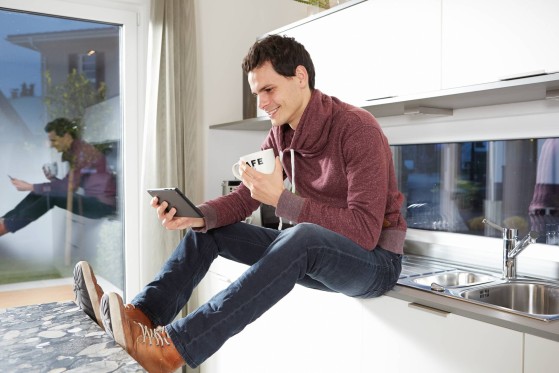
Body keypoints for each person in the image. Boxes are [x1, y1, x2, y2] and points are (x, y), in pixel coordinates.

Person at [73, 34, 407, 372]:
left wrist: (282, 200)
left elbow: (364, 233)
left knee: (302, 236)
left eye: (269, 90)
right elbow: (244, 197)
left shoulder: (357, 128)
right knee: (212, 232)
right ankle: (140, 317)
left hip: (374, 263)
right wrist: (197, 216)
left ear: (301, 77)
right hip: (315, 252)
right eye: (256, 93)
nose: (262, 103)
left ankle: (172, 350)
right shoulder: (281, 134)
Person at [0, 117, 116, 237]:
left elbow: (67, 187)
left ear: (66, 136)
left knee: (49, 196)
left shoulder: (82, 153)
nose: (51, 145)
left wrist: (30, 186)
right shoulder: (78, 150)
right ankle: (5, 220)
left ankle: (6, 226)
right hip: (93, 201)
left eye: (54, 140)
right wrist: (52, 180)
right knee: (39, 193)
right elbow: (71, 184)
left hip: (101, 206)